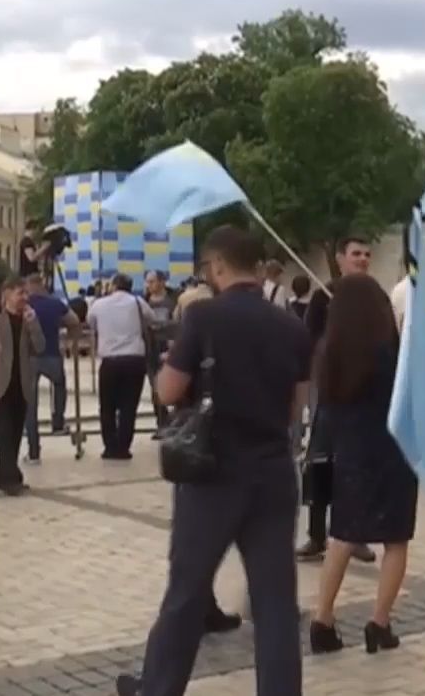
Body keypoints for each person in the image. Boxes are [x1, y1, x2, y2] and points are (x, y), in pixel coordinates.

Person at [115, 226, 310, 696]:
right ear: (260, 268)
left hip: (213, 475)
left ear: (217, 266)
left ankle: (159, 689)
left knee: (187, 591)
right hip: (273, 473)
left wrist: (168, 363)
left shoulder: (203, 317)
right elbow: (295, 409)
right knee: (275, 602)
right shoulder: (292, 326)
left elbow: (168, 390)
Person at [308, 275, 417, 656]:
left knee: (343, 535)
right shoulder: (390, 353)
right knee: (396, 539)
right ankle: (379, 622)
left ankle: (322, 620)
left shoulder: (329, 352)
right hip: (392, 453)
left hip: (350, 452)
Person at [298, 237, 376, 564]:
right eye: (355, 254)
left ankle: (353, 533)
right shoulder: (324, 296)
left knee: (357, 466)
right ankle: (316, 536)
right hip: (328, 392)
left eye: (367, 255)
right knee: (320, 462)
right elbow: (308, 341)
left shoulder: (374, 297)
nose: (362, 259)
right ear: (341, 258)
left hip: (364, 394)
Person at [87, 273, 154, 460]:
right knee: (129, 406)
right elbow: (152, 319)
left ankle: (110, 447)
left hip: (110, 361)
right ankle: (124, 447)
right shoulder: (138, 302)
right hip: (134, 359)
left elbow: (90, 321)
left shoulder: (99, 304)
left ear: (114, 285)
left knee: (107, 406)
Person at [0, 279, 44, 495]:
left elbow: (40, 347)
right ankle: (10, 477)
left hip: (21, 383)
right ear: (7, 294)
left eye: (26, 294)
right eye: (21, 293)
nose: (25, 298)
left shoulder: (28, 319)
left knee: (14, 432)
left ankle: (5, 474)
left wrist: (33, 324)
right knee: (2, 431)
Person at [25, 273, 80, 459]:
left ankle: (33, 448)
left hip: (29, 358)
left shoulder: (23, 305)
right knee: (59, 385)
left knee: (30, 404)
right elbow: (74, 321)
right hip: (51, 355)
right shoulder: (55, 303)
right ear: (43, 285)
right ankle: (57, 422)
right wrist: (71, 342)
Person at [144, 270, 178, 429]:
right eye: (147, 282)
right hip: (152, 346)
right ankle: (162, 422)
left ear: (162, 282)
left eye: (152, 281)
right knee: (155, 385)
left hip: (170, 344)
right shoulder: (144, 302)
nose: (149, 285)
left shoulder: (173, 300)